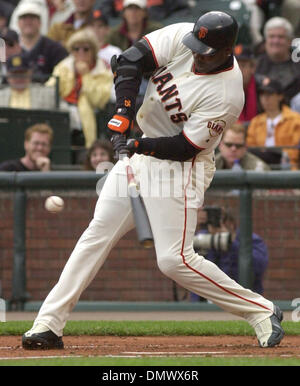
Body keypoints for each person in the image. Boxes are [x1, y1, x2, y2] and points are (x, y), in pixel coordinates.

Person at [22, 11, 284, 350]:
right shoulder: (182, 37)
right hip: (142, 148)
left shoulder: (227, 94)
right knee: (96, 233)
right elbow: (130, 62)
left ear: (225, 50)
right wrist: (124, 113)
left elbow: (186, 147)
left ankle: (261, 310)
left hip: (182, 167)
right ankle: (48, 324)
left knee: (174, 260)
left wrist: (137, 144)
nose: (196, 52)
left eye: (204, 49)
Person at [45, 28, 113, 148]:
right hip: (64, 111)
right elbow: (50, 90)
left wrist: (86, 75)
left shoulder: (103, 70)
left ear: (93, 51)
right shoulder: (63, 66)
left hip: (93, 114)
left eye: (86, 49)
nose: (81, 52)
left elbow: (98, 100)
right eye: (76, 49)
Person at [192, 207, 269, 296]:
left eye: (221, 221)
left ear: (231, 224)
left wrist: (231, 243)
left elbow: (259, 266)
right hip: (206, 300)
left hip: (241, 298)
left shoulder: (249, 240)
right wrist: (193, 226)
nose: (216, 225)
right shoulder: (201, 238)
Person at [247, 77, 300, 170]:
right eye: (262, 94)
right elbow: (250, 149)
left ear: (280, 96)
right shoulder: (255, 122)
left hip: (287, 167)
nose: (265, 98)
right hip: (260, 166)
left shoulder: (295, 119)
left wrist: (274, 154)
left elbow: (294, 152)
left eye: (270, 94)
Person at [16, 2, 68, 83]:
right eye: (24, 18)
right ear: (18, 23)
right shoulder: (8, 47)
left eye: (32, 18)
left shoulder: (54, 49)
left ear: (40, 22)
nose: (28, 21)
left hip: (46, 93)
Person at [255, 17, 300, 104]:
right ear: (265, 40)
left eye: (281, 37)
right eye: (272, 36)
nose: (276, 41)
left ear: (290, 41)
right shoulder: (255, 65)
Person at [234, 45, 259, 124]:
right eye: (235, 66)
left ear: (253, 68)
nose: (238, 70)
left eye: (243, 66)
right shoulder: (222, 89)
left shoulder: (262, 89)